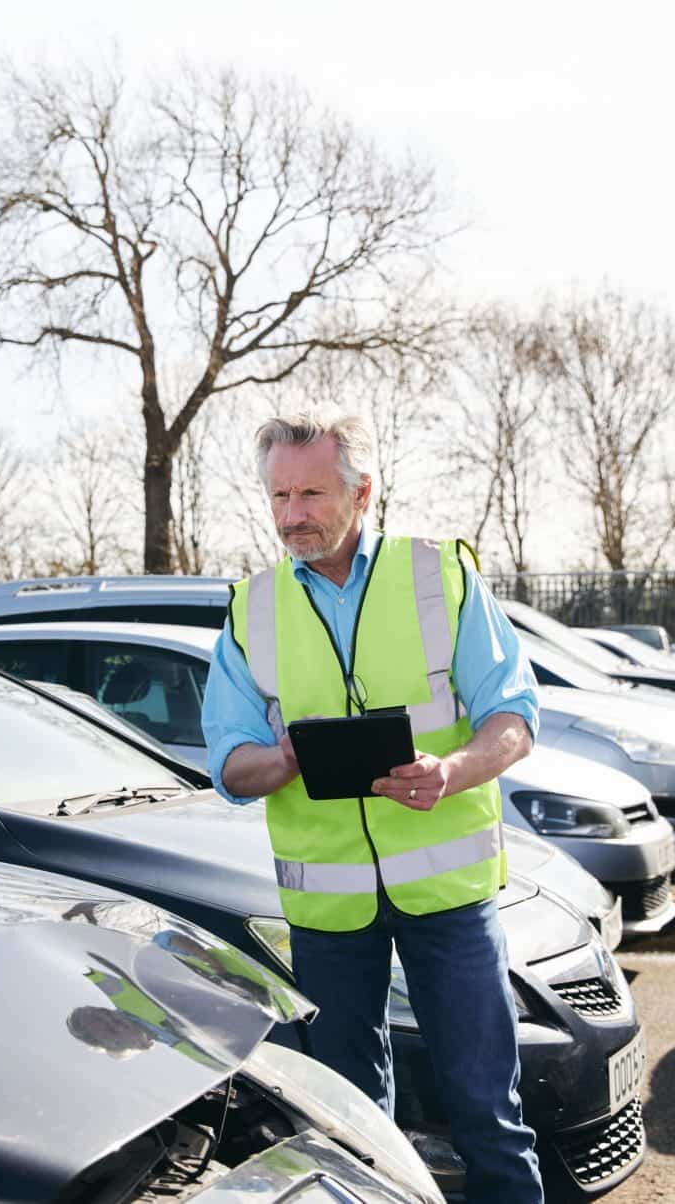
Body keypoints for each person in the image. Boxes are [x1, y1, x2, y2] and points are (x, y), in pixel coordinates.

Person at [202, 406, 544, 1204]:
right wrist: (283, 760)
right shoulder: (251, 607)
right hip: (327, 912)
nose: (293, 514)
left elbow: (515, 717)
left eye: (312, 493)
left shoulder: (440, 575)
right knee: (351, 1124)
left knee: (488, 1113)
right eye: (280, 495)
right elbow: (229, 762)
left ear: (362, 492)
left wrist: (452, 770)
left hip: (450, 899)